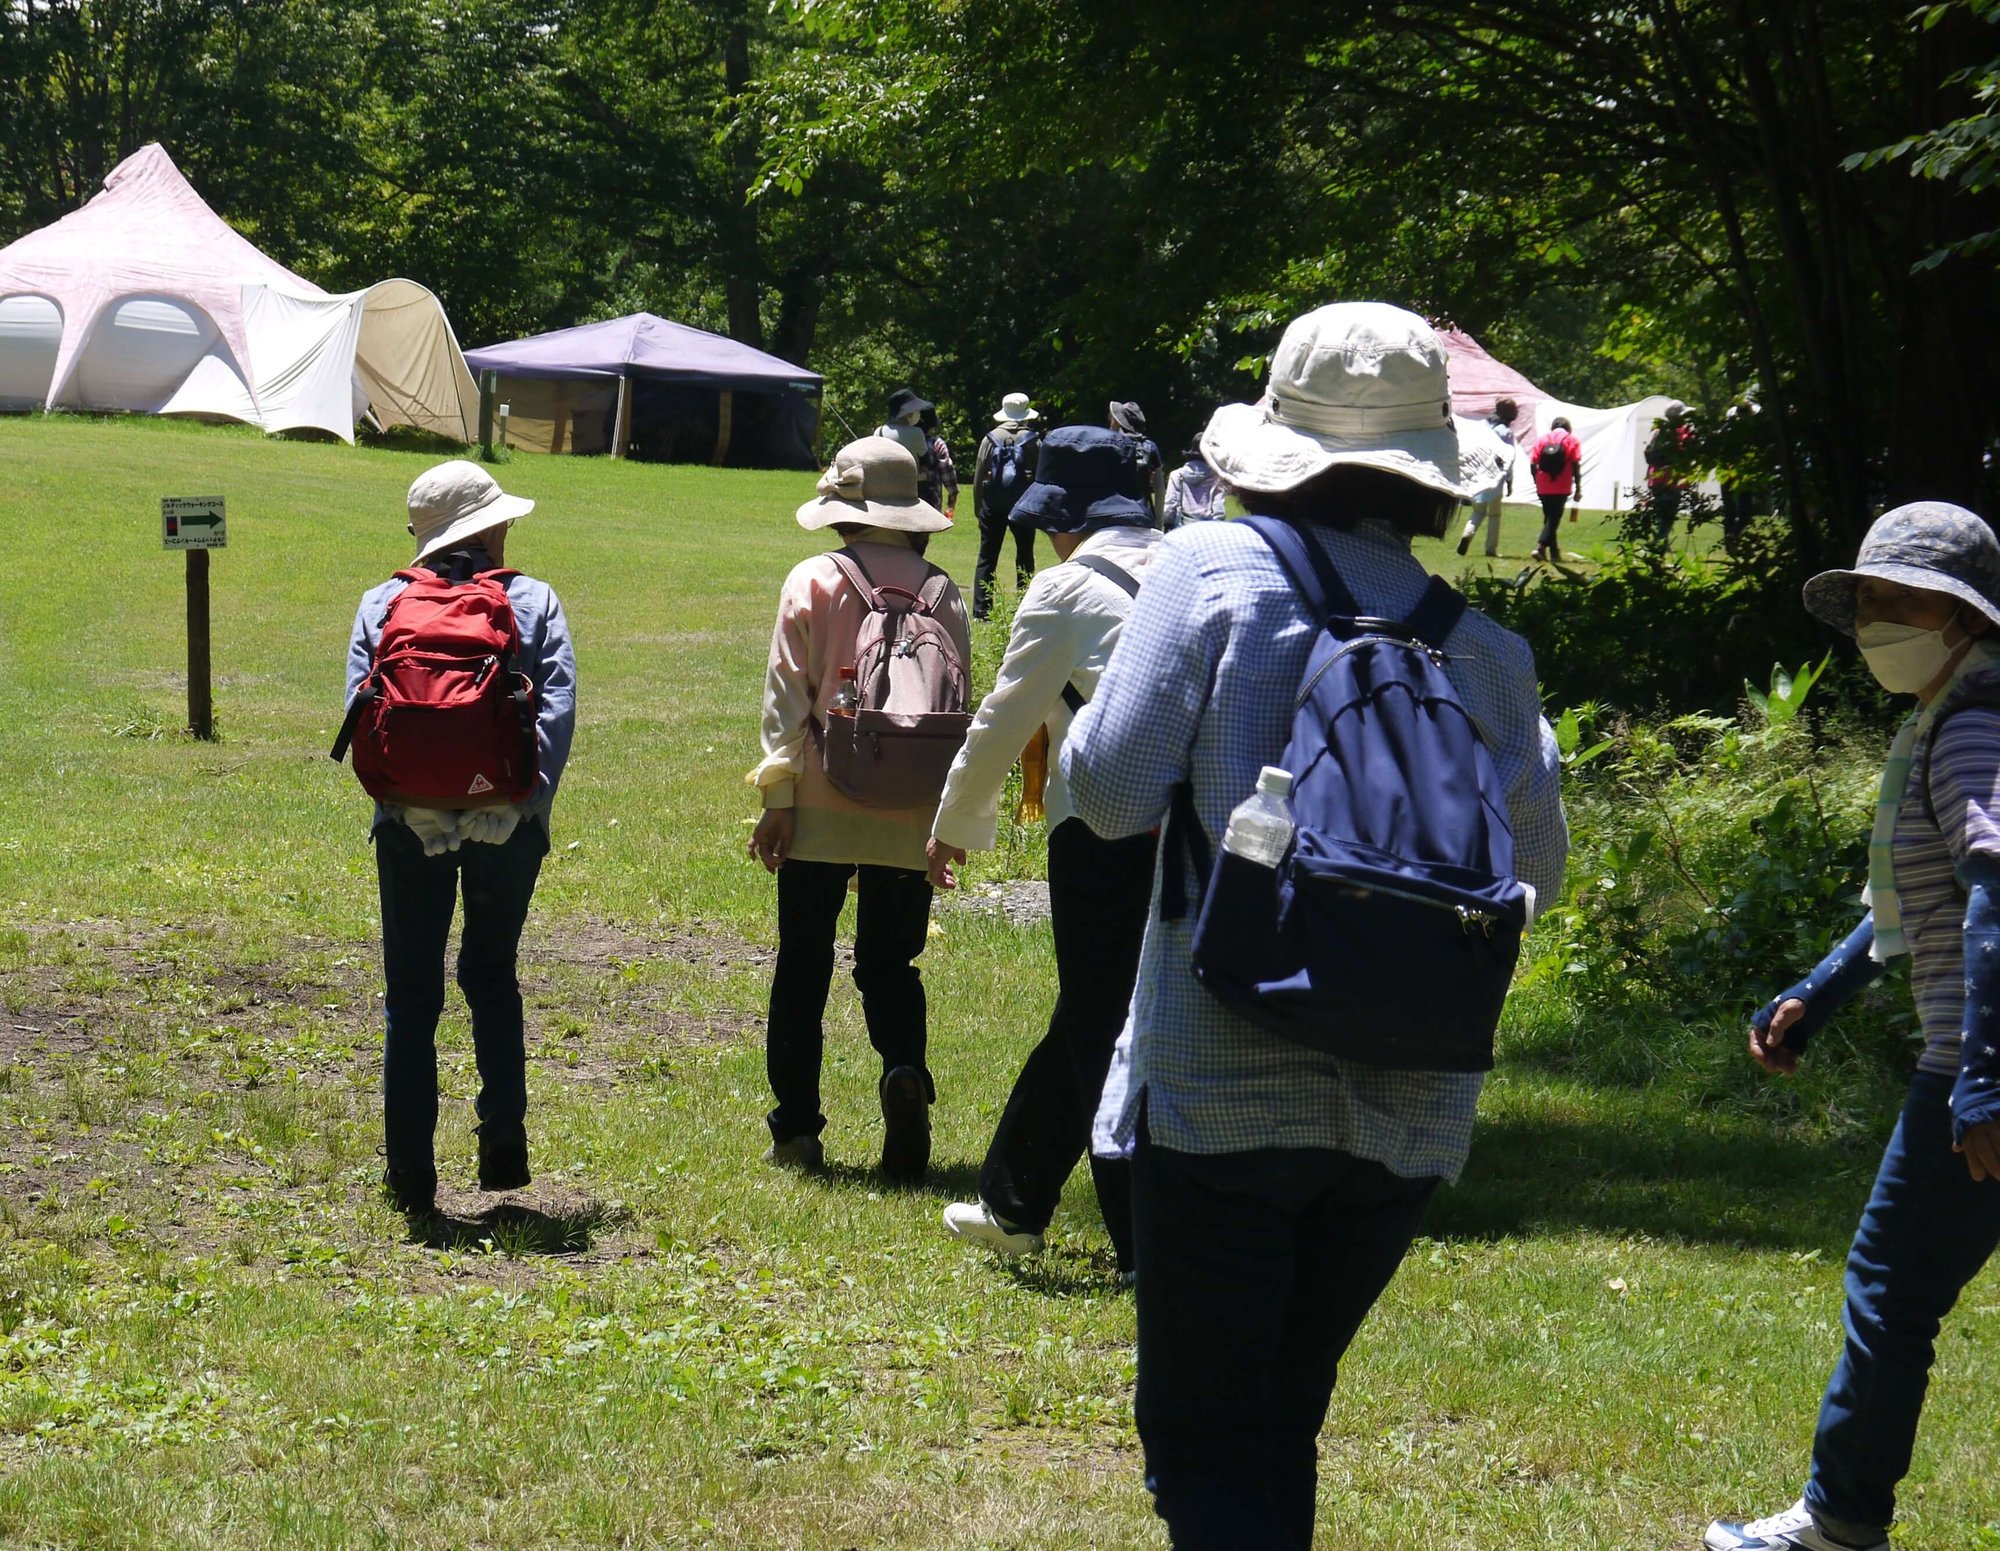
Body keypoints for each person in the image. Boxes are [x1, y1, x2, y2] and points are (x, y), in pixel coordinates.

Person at [1063, 302, 1567, 1549]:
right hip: (1408, 1109)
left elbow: (1114, 797)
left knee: (1204, 1438)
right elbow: (1535, 876)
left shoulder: (1209, 572)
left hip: (1218, 1076)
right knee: (1280, 1418)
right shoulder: (1489, 654)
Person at [1702, 502, 2000, 1551]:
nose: (1875, 621)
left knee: (1888, 1286)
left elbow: (1991, 894)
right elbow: (1902, 907)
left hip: (1969, 1064)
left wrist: (1981, 1079)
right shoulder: (1952, 715)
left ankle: (1837, 1523)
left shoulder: (1969, 727)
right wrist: (1818, 991)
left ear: (1959, 616)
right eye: (1866, 601)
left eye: (1898, 601)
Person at [926, 426, 1166, 1277]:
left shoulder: (1067, 587)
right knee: (1108, 1013)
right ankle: (1014, 1200)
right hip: (1205, 827)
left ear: (1066, 516)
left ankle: (1146, 1241)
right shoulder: (1188, 567)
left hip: (1101, 828)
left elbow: (1004, 715)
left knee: (1104, 1022)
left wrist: (954, 822)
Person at [346, 461, 577, 1217]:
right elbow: (556, 709)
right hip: (504, 815)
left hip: (407, 818)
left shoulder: (384, 601)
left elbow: (362, 707)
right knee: (490, 971)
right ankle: (503, 1141)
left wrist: (405, 801)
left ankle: (410, 1173)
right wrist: (521, 803)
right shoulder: (533, 598)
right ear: (491, 526)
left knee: (411, 996)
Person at [746, 436, 971, 1182]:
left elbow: (785, 701)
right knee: (890, 963)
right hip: (910, 805)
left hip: (818, 799)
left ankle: (798, 1131)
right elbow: (955, 705)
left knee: (802, 965)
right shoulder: (944, 591)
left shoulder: (812, 579)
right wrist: (949, 816)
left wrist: (778, 800)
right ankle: (903, 1070)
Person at [971, 392, 1042, 620]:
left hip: (992, 504)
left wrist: (978, 507)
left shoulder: (989, 438)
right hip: (1023, 505)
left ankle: (982, 610)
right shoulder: (1033, 440)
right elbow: (1041, 476)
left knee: (987, 557)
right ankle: (1025, 604)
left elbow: (978, 475)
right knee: (1024, 556)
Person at [1456, 396, 1520, 556]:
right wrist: (1510, 481)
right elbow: (1508, 458)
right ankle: (1491, 549)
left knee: (1478, 512)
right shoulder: (1505, 432)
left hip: (1478, 475)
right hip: (1495, 477)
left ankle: (1467, 534)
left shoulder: (1484, 427)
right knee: (1494, 515)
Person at [878, 387, 946, 511]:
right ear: (908, 413)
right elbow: (928, 461)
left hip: (886, 492)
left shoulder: (879, 431)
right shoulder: (916, 433)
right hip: (912, 491)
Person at [1528, 414, 1582, 562]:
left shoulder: (1542, 439)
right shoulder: (1571, 440)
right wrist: (1578, 487)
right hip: (1562, 483)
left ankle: (1554, 553)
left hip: (1543, 482)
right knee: (1554, 518)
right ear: (1568, 428)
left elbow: (1533, 463)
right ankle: (1540, 546)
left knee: (1549, 517)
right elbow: (1576, 465)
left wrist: (1536, 481)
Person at [1110, 399, 1167, 526]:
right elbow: (1160, 489)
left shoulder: (1111, 446)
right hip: (1144, 512)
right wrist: (1159, 520)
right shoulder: (1150, 447)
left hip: (1115, 513)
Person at [1644, 399, 1694, 544]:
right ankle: (1659, 542)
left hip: (1656, 478)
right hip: (1673, 479)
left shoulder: (1658, 431)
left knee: (1660, 513)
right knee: (1668, 515)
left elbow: (1649, 453)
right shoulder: (1683, 432)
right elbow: (1688, 454)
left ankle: (1660, 541)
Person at [1162, 442, 1227, 527]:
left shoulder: (1177, 475)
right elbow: (1218, 509)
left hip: (1182, 526)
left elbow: (1171, 504)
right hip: (1207, 527)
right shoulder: (1216, 477)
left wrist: (1168, 523)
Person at [920, 403, 958, 520]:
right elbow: (948, 473)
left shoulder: (905, 442)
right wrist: (951, 502)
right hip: (931, 499)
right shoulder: (937, 444)